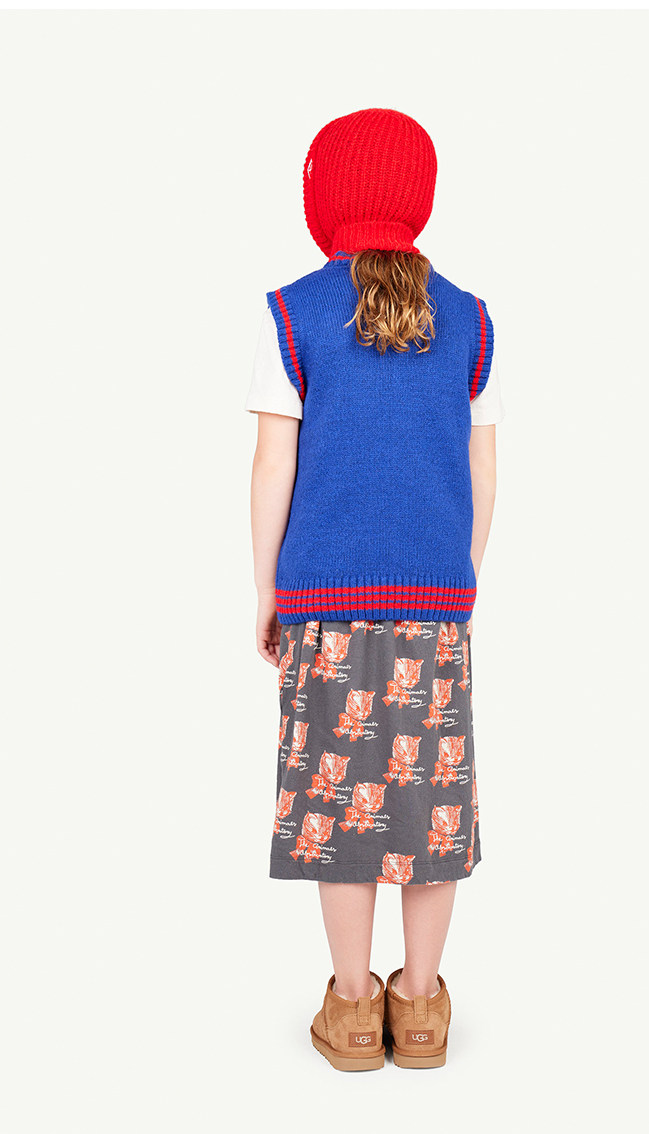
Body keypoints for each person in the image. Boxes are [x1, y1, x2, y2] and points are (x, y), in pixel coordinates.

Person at [246, 108, 503, 1071]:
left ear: (326, 196)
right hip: (435, 606)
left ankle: (354, 1009)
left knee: (342, 804)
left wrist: (267, 589)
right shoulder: (470, 319)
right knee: (431, 806)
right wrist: (458, 579)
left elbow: (273, 465)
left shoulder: (293, 311)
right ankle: (422, 1006)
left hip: (324, 606)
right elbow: (482, 471)